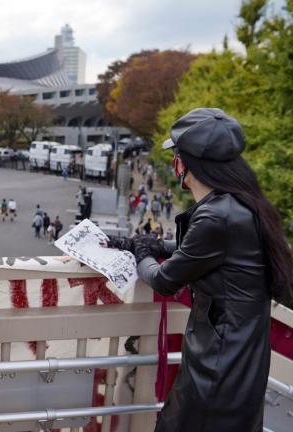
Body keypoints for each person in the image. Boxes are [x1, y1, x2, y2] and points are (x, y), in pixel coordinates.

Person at [108, 108, 293, 432]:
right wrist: (140, 245)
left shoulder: (217, 216)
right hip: (240, 363)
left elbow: (165, 280)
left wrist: (141, 252)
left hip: (216, 369)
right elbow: (200, 254)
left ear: (184, 164)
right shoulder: (243, 205)